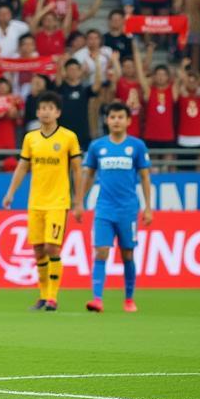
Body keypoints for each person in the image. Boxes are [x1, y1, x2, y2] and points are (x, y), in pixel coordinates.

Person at [1, 90, 82, 311]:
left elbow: (77, 170)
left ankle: (53, 297)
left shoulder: (68, 137)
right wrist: (10, 193)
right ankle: (43, 295)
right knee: (38, 250)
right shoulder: (31, 138)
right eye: (42, 108)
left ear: (58, 112)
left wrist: (79, 201)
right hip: (35, 202)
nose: (46, 112)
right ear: (37, 112)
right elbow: (22, 167)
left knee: (52, 248)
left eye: (50, 108)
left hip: (58, 201)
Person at [75, 102, 153, 313]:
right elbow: (88, 174)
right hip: (104, 208)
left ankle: (129, 299)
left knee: (127, 254)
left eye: (120, 117)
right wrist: (79, 202)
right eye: (112, 117)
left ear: (128, 121)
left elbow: (145, 177)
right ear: (107, 120)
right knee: (101, 252)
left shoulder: (136, 146)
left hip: (128, 209)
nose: (116, 120)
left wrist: (148, 208)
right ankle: (97, 299)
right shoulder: (97, 146)